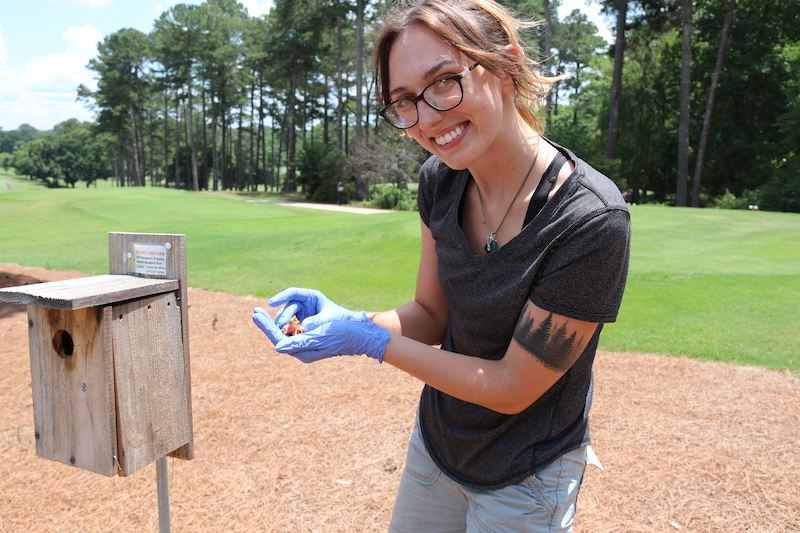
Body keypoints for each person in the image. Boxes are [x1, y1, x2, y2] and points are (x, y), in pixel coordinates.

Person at [252, 0, 631, 531]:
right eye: (403, 102)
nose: (427, 118)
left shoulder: (591, 220)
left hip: (528, 473)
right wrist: (347, 323)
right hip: (438, 445)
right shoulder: (440, 180)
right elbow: (432, 314)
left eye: (444, 82)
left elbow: (512, 386)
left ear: (504, 66)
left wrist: (371, 341)